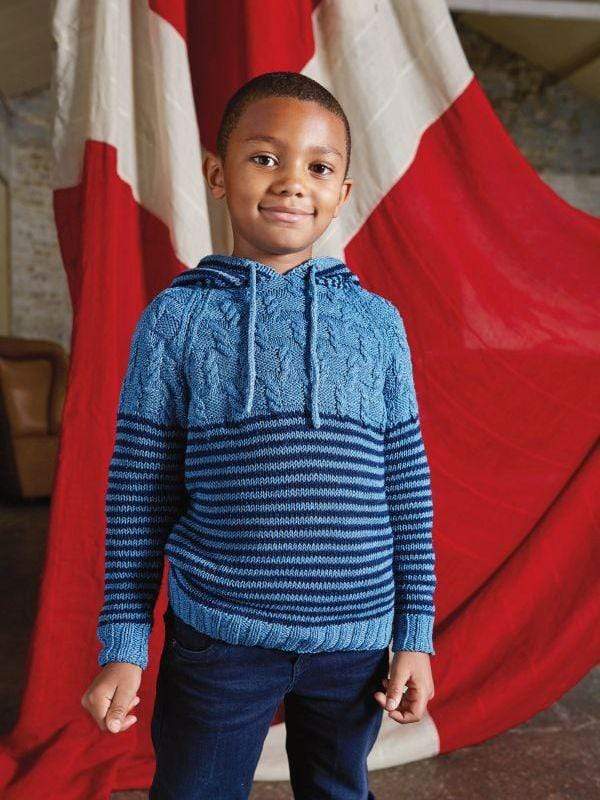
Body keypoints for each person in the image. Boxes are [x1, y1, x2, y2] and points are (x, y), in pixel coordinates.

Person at [81, 70, 436, 799]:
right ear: (218, 174)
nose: (292, 183)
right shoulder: (176, 321)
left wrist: (415, 634)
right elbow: (139, 496)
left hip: (357, 643)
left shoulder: (378, 326)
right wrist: (124, 643)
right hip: (221, 640)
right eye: (265, 157)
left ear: (343, 191)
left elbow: (407, 487)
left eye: (319, 167)